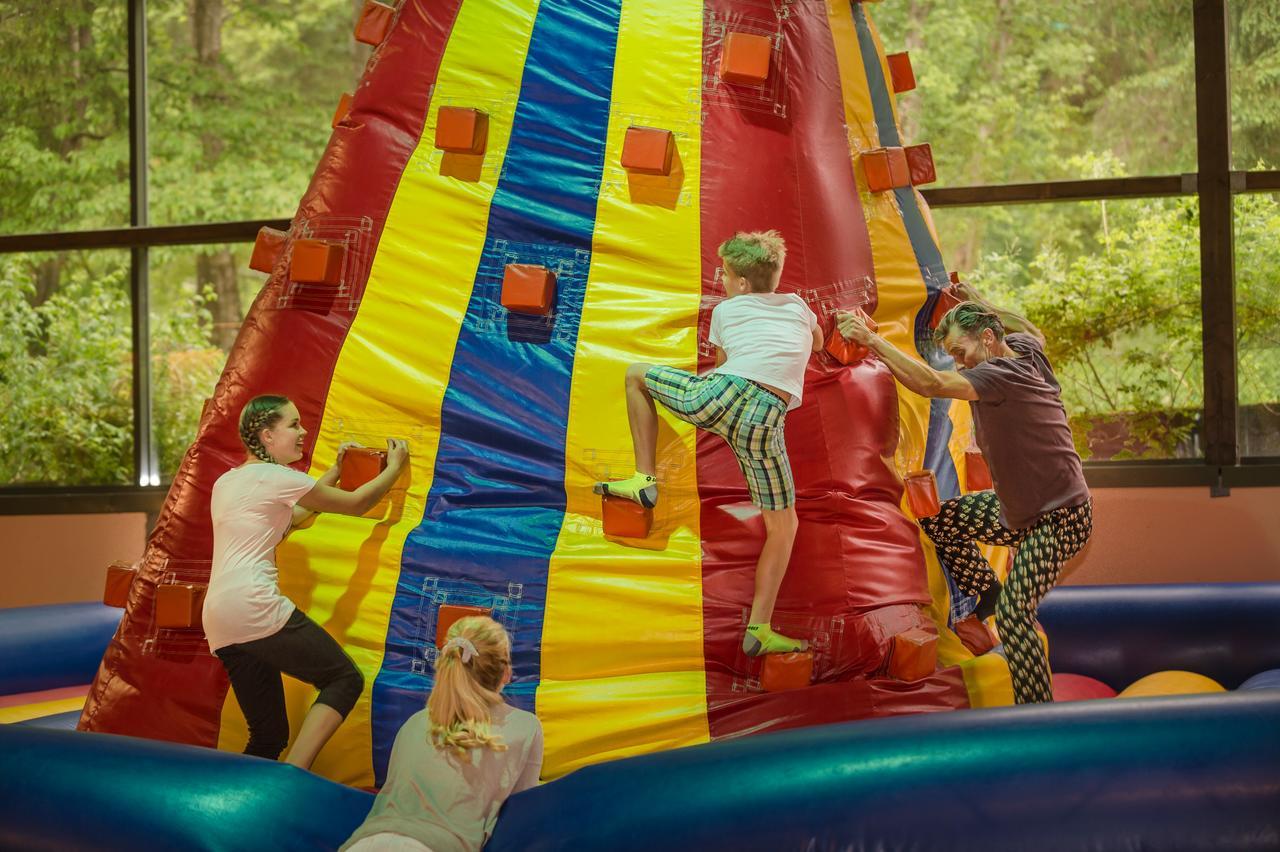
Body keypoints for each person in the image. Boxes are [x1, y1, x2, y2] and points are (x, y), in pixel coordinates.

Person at [836, 287, 1091, 704]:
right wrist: (979, 303)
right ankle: (986, 591)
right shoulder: (1025, 349)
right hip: (1018, 512)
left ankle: (1039, 716)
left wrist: (870, 341)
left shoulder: (1000, 375)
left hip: (1060, 519)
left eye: (961, 350)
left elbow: (930, 382)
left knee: (1014, 617)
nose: (959, 361)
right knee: (942, 520)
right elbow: (1028, 328)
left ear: (987, 340)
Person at [594, 230, 823, 657]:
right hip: (765, 419)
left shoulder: (728, 309)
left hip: (723, 394)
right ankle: (759, 628)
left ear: (739, 283)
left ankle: (645, 478)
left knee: (636, 374)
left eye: (725, 272)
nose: (720, 277)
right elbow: (819, 344)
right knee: (784, 526)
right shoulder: (799, 307)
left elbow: (721, 367)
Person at [203, 394, 409, 767]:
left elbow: (290, 518)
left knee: (268, 737)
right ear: (267, 436)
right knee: (344, 679)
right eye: (293, 425)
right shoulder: (276, 477)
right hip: (254, 605)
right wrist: (394, 468)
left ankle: (246, 809)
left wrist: (334, 471)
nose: (303, 431)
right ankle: (293, 778)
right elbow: (357, 504)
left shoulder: (228, 482)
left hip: (219, 618)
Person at [341, 616, 543, 852]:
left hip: (366, 841)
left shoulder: (415, 723)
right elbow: (521, 811)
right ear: (506, 673)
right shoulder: (524, 725)